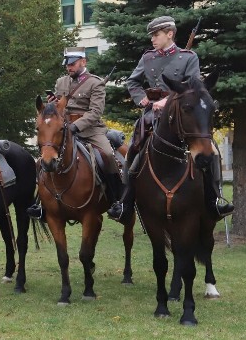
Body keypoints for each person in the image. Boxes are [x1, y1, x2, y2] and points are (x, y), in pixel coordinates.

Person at [116, 15, 233, 222]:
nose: (153, 39)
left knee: (211, 149)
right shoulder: (148, 58)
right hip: (152, 113)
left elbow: (194, 88)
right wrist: (142, 99)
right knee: (133, 148)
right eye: (152, 35)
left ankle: (214, 199)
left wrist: (168, 101)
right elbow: (132, 82)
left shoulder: (189, 57)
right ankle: (125, 201)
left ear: (170, 34)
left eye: (156, 35)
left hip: (181, 111)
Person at [26, 47, 123, 220]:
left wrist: (75, 127)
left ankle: (117, 200)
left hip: (90, 130)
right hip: (63, 129)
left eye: (72, 64)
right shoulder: (61, 82)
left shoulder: (95, 83)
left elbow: (95, 112)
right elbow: (58, 109)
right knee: (44, 158)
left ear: (83, 62)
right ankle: (41, 203)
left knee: (107, 155)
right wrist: (54, 104)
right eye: (67, 65)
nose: (69, 68)